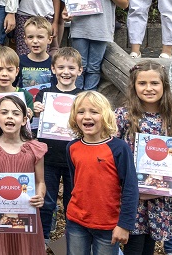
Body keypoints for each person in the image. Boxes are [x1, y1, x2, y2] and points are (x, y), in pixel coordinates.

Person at [112, 61, 172, 255]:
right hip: (131, 197)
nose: (149, 88)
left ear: (164, 86)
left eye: (154, 83)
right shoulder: (122, 116)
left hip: (159, 197)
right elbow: (109, 152)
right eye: (142, 83)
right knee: (133, 245)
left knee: (149, 244)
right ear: (133, 86)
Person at [64, 90, 137, 255]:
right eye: (81, 112)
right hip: (76, 221)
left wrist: (124, 224)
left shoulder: (119, 149)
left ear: (105, 116)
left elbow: (130, 188)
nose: (87, 116)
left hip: (108, 224)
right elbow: (75, 183)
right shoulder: (72, 148)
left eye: (94, 112)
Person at [0, 94, 47, 255]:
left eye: (16, 113)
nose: (10, 116)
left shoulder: (34, 149)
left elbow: (40, 182)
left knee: (24, 250)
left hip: (25, 211)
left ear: (24, 120)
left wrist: (40, 195)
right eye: (4, 112)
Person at [33, 47, 83, 240]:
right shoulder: (43, 95)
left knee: (74, 202)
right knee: (46, 201)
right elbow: (31, 126)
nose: (66, 72)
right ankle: (43, 239)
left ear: (79, 70)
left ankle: (73, 240)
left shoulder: (83, 96)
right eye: (61, 67)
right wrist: (34, 111)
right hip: (48, 157)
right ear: (53, 69)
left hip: (75, 159)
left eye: (71, 68)